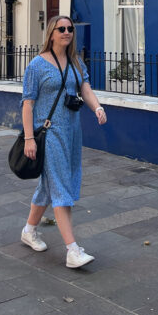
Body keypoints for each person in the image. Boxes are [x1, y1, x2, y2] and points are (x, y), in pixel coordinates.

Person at [19, 15, 107, 267]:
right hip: (49, 133)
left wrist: (97, 108)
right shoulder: (36, 65)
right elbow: (27, 104)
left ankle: (28, 231)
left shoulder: (75, 61)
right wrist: (29, 138)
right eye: (61, 29)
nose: (67, 32)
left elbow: (85, 88)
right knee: (60, 187)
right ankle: (72, 250)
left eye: (70, 29)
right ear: (51, 33)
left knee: (49, 186)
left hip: (71, 131)